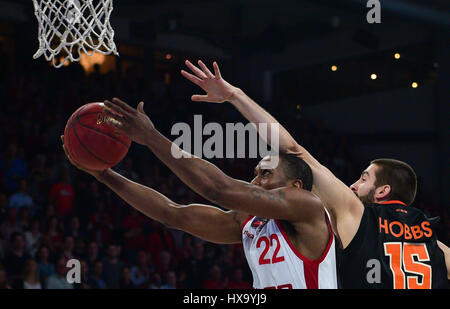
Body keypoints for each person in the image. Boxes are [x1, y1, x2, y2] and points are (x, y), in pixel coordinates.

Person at [180, 60, 450, 288]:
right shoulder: (434, 243)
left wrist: (234, 95)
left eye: (364, 178)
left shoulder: (358, 215)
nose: (353, 185)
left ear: (383, 191)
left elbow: (291, 149)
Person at [61, 98, 338, 290]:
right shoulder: (248, 223)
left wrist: (152, 138)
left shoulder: (309, 208)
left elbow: (216, 189)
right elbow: (171, 214)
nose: (254, 181)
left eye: (265, 174)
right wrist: (104, 174)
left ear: (295, 186)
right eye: (255, 173)